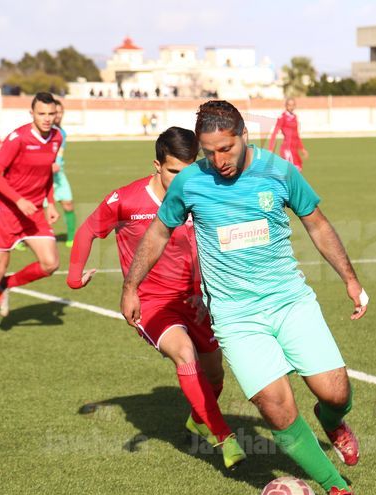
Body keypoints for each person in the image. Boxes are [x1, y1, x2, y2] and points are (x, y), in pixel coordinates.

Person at [121, 100, 368, 495]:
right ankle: (338, 489)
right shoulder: (191, 183)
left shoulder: (279, 171)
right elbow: (159, 231)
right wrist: (131, 286)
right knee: (275, 407)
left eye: (226, 149)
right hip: (236, 317)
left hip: (289, 301)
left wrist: (349, 278)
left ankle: (332, 420)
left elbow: (317, 223)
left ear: (244, 136)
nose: (219, 160)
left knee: (335, 393)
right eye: (209, 151)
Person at [67, 127, 245, 470]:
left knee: (215, 374)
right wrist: (74, 277)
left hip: (194, 301)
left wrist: (205, 289)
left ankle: (198, 420)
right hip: (150, 302)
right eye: (174, 171)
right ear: (157, 166)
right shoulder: (126, 200)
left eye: (189, 171)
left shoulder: (199, 196)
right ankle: (225, 437)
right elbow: (89, 229)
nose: (182, 180)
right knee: (184, 353)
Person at [0, 92, 63, 337]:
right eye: (41, 113)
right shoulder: (17, 138)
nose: (47, 118)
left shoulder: (57, 137)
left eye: (51, 114)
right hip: (7, 210)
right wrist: (19, 200)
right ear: (32, 114)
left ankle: (7, 284)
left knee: (50, 263)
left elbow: (47, 175)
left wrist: (50, 202)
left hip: (34, 212)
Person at [50, 99, 76, 247]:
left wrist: (57, 164)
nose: (59, 115)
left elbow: (59, 153)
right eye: (56, 112)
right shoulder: (45, 131)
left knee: (68, 203)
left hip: (58, 175)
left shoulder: (62, 133)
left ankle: (71, 238)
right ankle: (22, 238)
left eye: (61, 112)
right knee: (35, 209)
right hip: (43, 176)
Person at [267, 98, 308, 171]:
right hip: (287, 149)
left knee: (298, 170)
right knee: (292, 171)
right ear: (286, 106)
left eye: (293, 105)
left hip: (294, 149)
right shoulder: (282, 118)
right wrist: (270, 149)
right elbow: (274, 133)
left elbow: (296, 135)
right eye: (289, 105)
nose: (291, 107)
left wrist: (302, 148)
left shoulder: (295, 117)